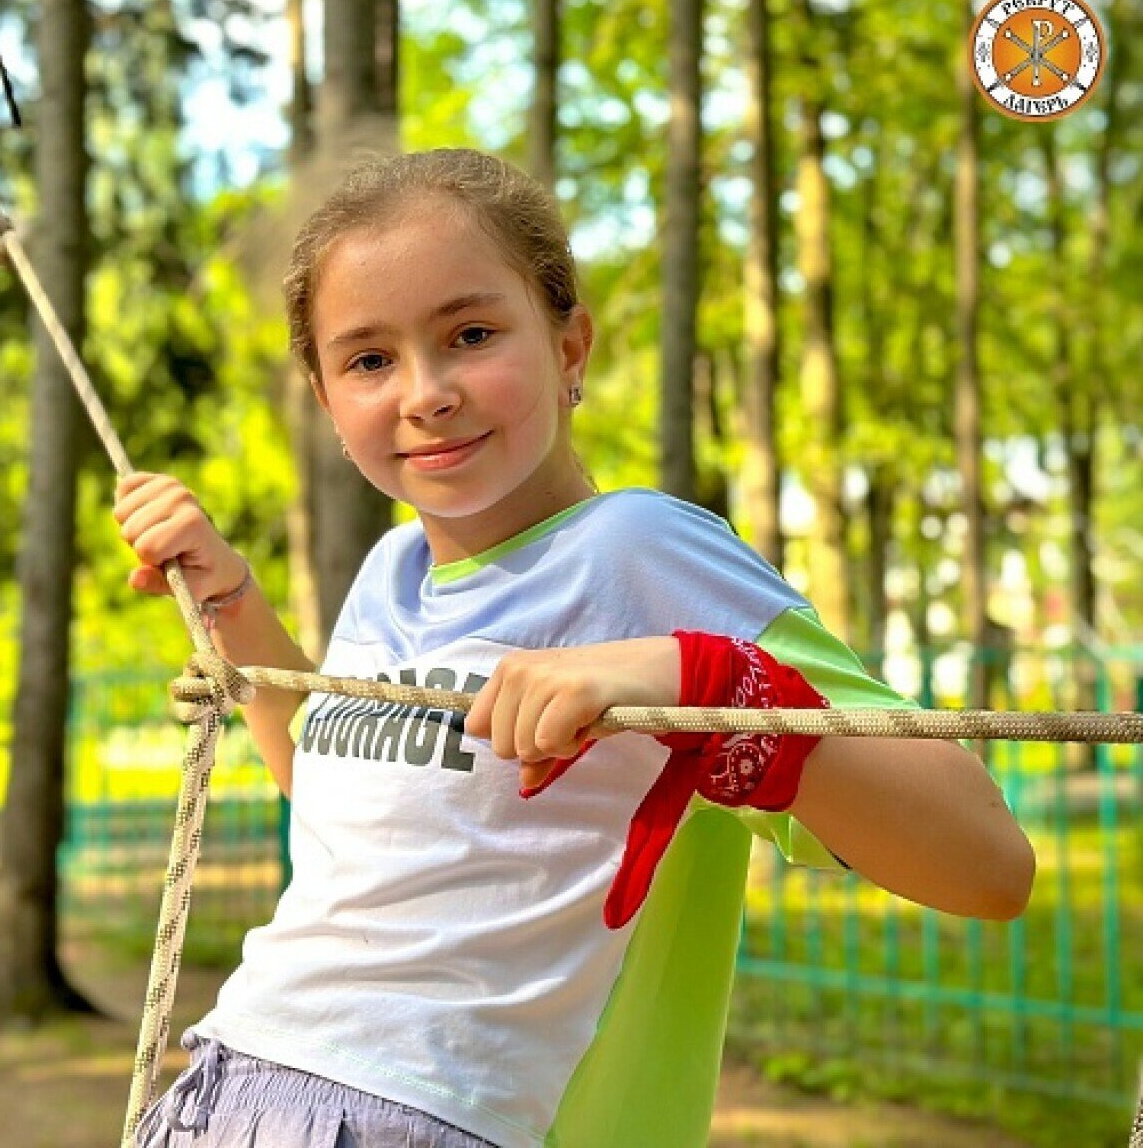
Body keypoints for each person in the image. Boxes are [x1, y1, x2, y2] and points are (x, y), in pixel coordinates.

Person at [112, 149, 1034, 1148]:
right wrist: (232, 602)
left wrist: (702, 679)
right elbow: (364, 818)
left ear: (569, 348)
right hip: (226, 1082)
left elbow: (987, 865)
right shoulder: (389, 570)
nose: (425, 393)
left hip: (437, 1116)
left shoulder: (640, 550)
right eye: (369, 360)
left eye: (470, 335)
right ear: (326, 399)